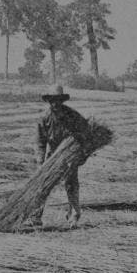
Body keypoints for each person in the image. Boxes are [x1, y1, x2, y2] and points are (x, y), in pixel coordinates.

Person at [29, 84, 90, 228]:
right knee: (43, 185)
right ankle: (36, 217)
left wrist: (80, 152)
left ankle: (74, 216)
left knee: (71, 184)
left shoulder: (73, 115)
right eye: (52, 100)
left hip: (70, 155)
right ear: (49, 101)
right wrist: (40, 162)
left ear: (62, 101)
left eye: (58, 100)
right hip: (53, 156)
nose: (55, 103)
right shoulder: (44, 118)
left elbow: (86, 131)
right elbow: (40, 142)